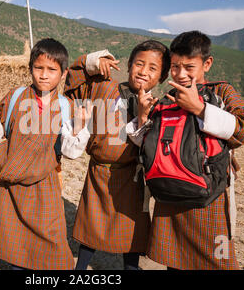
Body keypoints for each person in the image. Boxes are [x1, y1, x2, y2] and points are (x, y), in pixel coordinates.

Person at [136, 31, 244, 270]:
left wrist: (200, 109)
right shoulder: (166, 99)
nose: (181, 75)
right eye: (174, 66)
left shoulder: (221, 92)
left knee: (213, 262)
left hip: (208, 197)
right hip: (169, 194)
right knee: (174, 260)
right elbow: (148, 145)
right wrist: (143, 117)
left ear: (207, 63)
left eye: (189, 67)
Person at [0, 38, 92, 270]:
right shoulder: (15, 97)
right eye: (38, 68)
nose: (44, 75)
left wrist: (79, 126)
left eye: (52, 70)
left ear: (63, 73)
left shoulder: (66, 106)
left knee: (50, 245)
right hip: (11, 185)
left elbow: (70, 152)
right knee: (16, 249)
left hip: (45, 185)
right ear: (30, 69)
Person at [63, 40, 171, 270]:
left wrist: (143, 116)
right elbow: (73, 78)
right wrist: (94, 62)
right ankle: (79, 270)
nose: (143, 71)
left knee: (131, 232)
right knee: (89, 228)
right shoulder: (105, 86)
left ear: (161, 78)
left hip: (132, 178)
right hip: (98, 172)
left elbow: (152, 149)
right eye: (139, 64)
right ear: (130, 64)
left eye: (152, 68)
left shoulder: (159, 108)